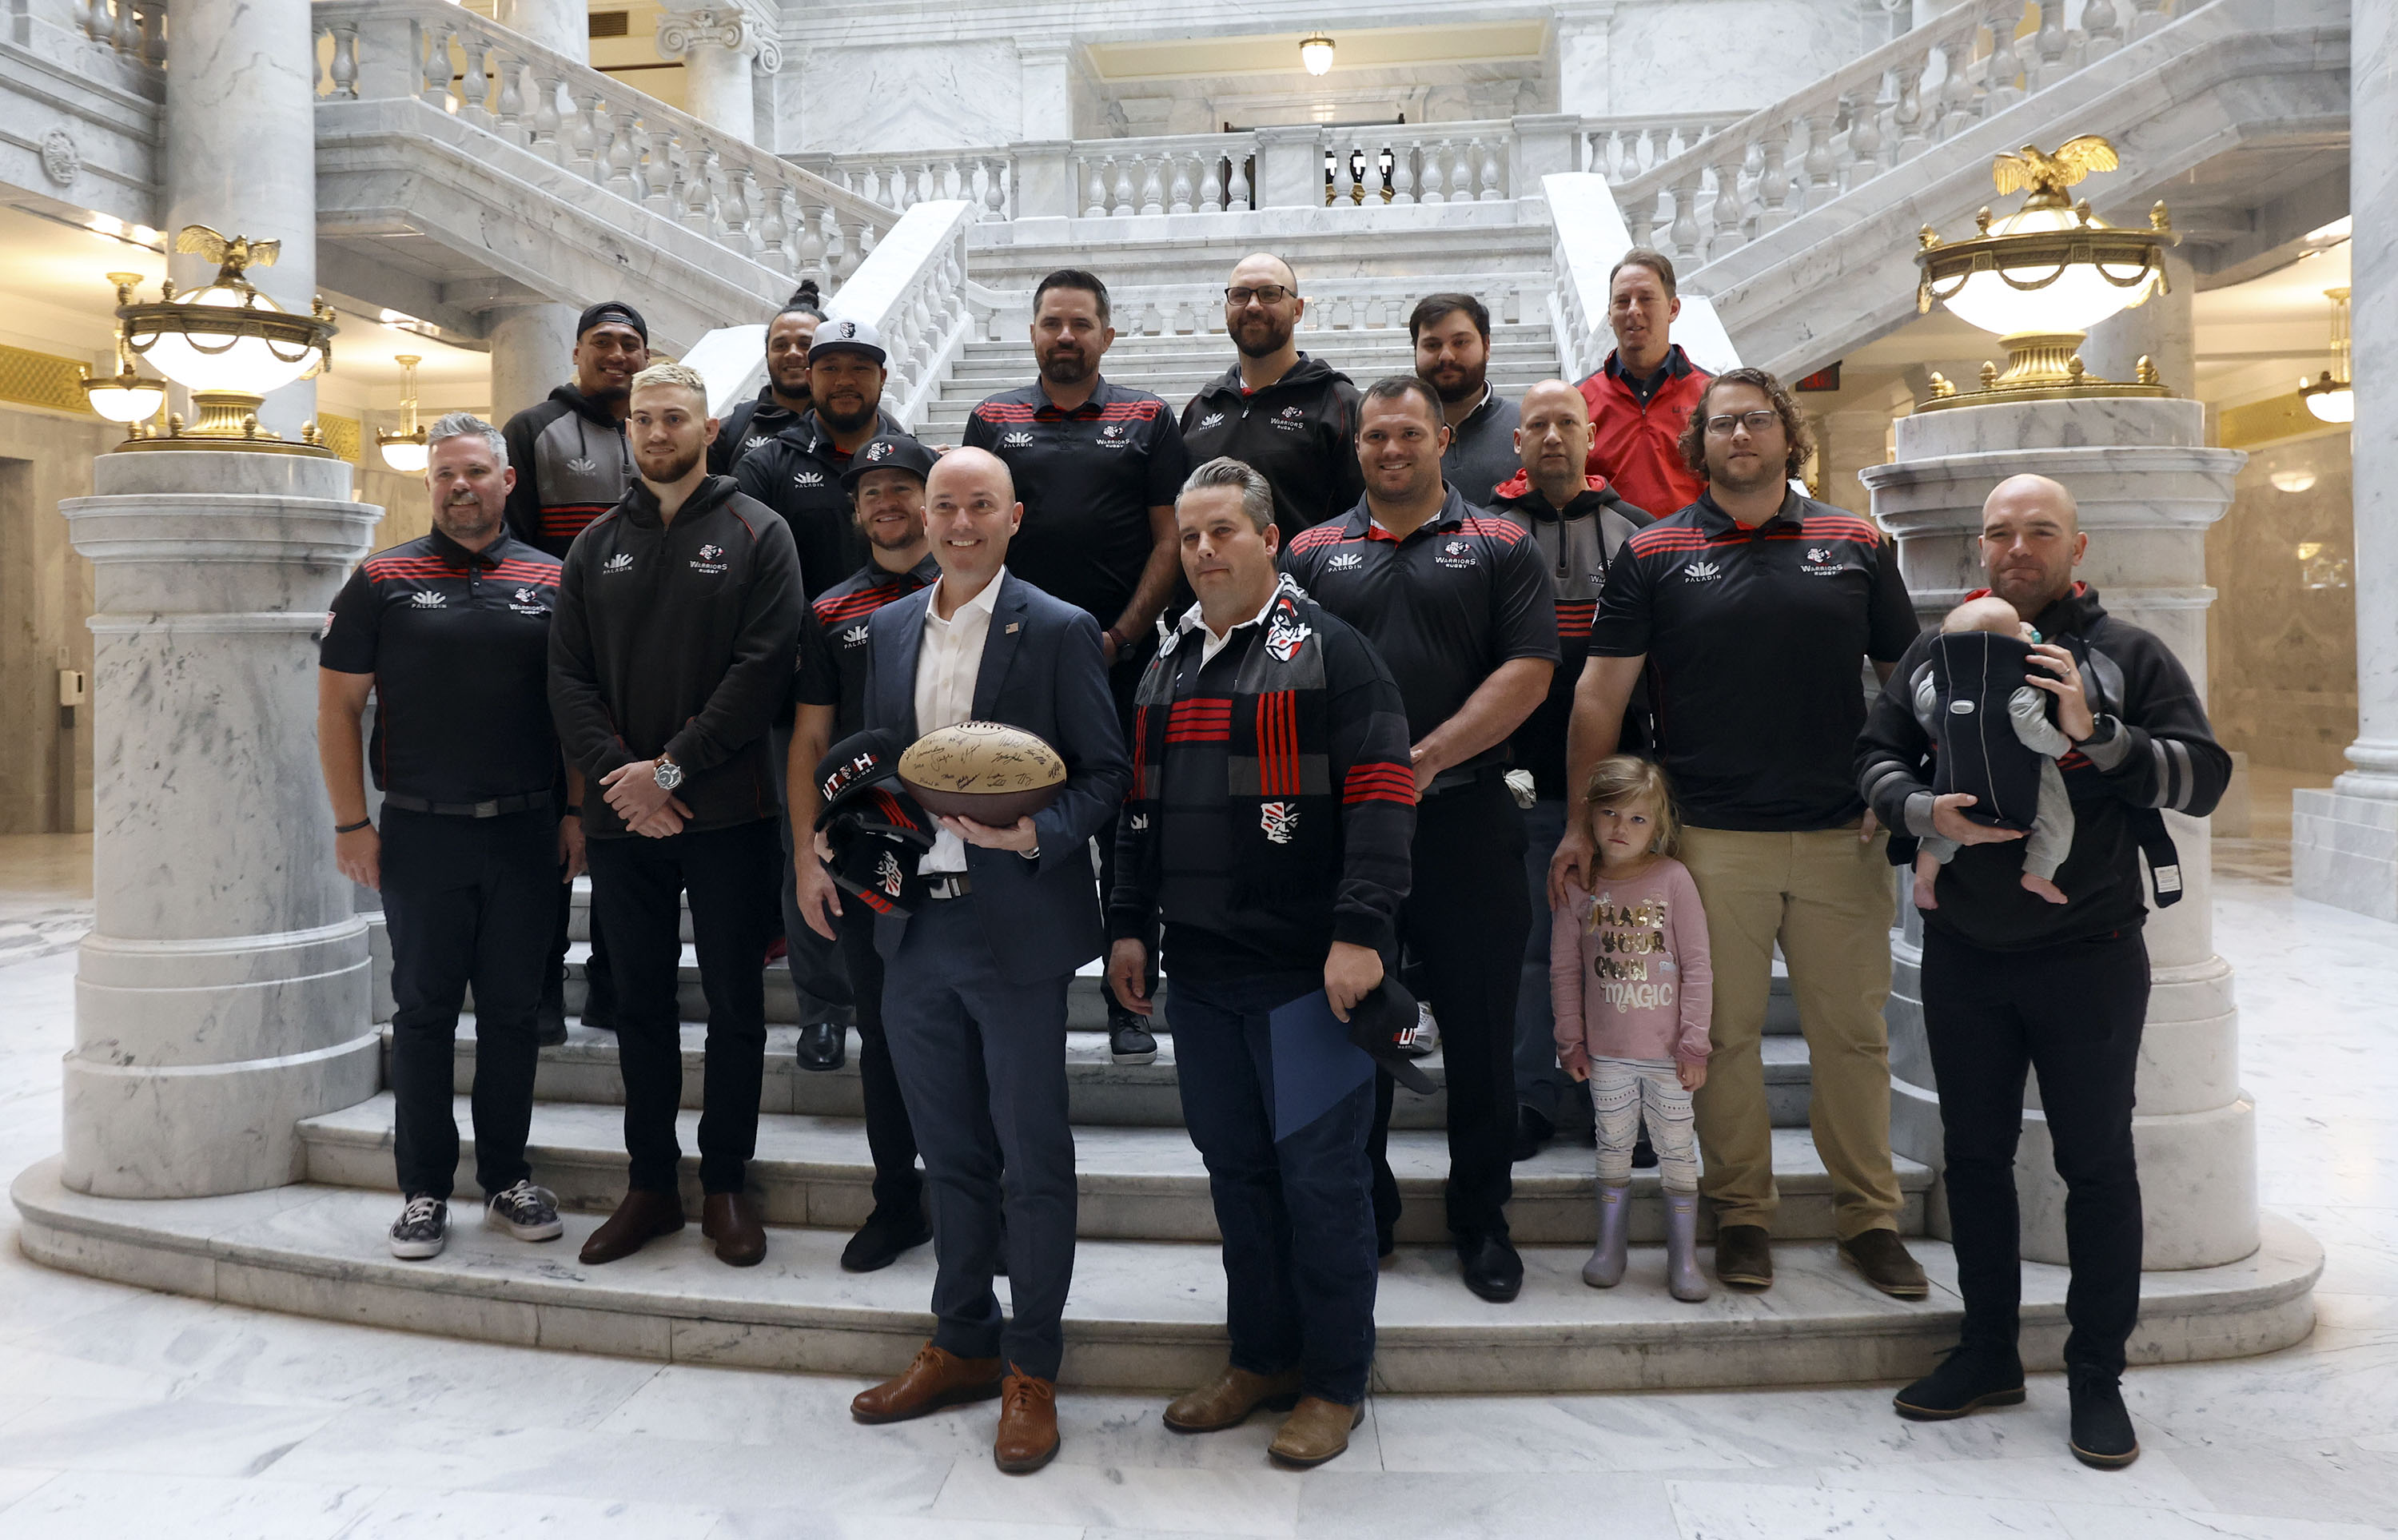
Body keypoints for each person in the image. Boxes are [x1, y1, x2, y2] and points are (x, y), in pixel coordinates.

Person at [1858, 473, 2229, 1470]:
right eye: (1999, 532)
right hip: (1965, 952)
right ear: (1979, 548)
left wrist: (2098, 735)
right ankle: (1987, 1351)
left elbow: (2204, 776)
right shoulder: (1936, 652)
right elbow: (1876, 755)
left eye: (2040, 531)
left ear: (2078, 547)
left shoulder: (2125, 654)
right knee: (1974, 1159)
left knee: (2095, 1162)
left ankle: (2097, 1374)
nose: (2016, 547)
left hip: (2089, 954)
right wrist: (1919, 810)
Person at [1551, 366, 1927, 1301]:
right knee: (1718, 1040)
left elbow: (1909, 678)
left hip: (1841, 836)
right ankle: (1742, 1213)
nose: (1740, 435)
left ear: (1789, 436)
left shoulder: (1854, 541)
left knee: (1853, 1038)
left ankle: (1869, 1219)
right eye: (1722, 423)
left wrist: (1904, 786)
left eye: (1758, 420)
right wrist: (1581, 822)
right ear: (1701, 442)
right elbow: (1599, 693)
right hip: (1710, 843)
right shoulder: (1654, 552)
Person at [1107, 457, 1415, 1469]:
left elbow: (1382, 796)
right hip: (1202, 976)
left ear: (1270, 537)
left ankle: (1334, 1380)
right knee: (1238, 1177)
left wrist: (1360, 932)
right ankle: (1262, 1357)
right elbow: (1139, 811)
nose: (1203, 551)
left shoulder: (1331, 652)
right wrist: (1129, 923)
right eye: (1190, 536)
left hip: (1306, 975)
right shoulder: (1167, 661)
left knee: (1321, 1184)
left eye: (1223, 532)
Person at [844, 448, 1129, 1476]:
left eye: (980, 505)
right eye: (944, 506)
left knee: (1031, 1155)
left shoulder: (1057, 629)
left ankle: (1031, 1366)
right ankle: (962, 1336)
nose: (959, 523)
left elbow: (1105, 774)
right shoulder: (885, 629)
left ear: (1014, 518)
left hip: (1015, 932)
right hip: (914, 930)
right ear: (921, 518)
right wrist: (850, 835)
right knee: (949, 1152)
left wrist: (1036, 833)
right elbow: (879, 768)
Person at [1282, 374, 1557, 1303]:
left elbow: (1530, 671)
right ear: (1356, 446)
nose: (1391, 450)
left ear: (1443, 440)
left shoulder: (1503, 543)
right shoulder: (1311, 552)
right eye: (1375, 437)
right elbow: (1286, 679)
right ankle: (1366, 1205)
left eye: (1408, 434)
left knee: (1479, 1032)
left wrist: (1428, 757)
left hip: (1468, 819)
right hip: (1348, 833)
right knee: (1355, 1026)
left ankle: (1482, 1217)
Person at [548, 362, 804, 1271]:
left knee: (736, 1005)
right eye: (644, 419)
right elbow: (567, 676)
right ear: (628, 430)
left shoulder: (759, 531)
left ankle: (726, 1182)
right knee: (640, 1006)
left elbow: (762, 670)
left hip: (729, 812)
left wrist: (668, 770)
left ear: (710, 428)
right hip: (624, 818)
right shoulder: (593, 545)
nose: (657, 433)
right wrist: (624, 780)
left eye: (675, 419)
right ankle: (651, 1184)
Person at [318, 412, 571, 1261]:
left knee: (512, 1013)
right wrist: (352, 822)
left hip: (528, 830)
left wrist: (576, 813)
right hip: (420, 833)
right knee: (424, 1014)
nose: (460, 486)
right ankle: (423, 1190)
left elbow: (577, 710)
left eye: (475, 472)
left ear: (507, 480)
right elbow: (337, 709)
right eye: (444, 475)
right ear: (429, 485)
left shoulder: (553, 580)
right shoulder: (380, 579)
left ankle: (506, 1178)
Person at [962, 268, 1190, 1066]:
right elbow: (975, 536)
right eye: (1052, 323)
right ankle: (1029, 998)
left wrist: (1120, 636)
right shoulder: (992, 419)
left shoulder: (1149, 417)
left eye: (1081, 323)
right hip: (1017, 665)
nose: (1066, 336)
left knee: (1127, 829)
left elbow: (1171, 539)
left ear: (1107, 335)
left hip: (1122, 662)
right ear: (1032, 333)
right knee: (1020, 817)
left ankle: (1129, 1005)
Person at [787, 432, 941, 1273]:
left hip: (965, 846)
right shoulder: (829, 611)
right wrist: (807, 857)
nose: (887, 503)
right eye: (871, 491)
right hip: (866, 854)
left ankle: (980, 1198)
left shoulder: (968, 588)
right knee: (880, 1033)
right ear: (855, 511)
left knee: (971, 1034)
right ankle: (896, 1201)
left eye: (902, 487)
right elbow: (810, 738)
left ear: (931, 499)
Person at [1487, 380, 1652, 1160]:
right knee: (1525, 950)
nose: (1553, 436)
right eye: (1538, 425)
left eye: (1567, 423)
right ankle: (1529, 1096)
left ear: (1592, 437)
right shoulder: (1484, 536)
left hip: (1623, 793)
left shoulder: (1639, 535)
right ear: (1517, 443)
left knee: (1619, 953)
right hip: (1516, 787)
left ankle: (1615, 1101)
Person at [503, 300, 649, 1040]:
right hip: (557, 659)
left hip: (643, 667)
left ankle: (613, 986)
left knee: (627, 830)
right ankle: (541, 995)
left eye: (630, 344)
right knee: (554, 832)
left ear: (647, 357)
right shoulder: (534, 430)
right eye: (602, 342)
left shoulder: (662, 432)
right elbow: (512, 542)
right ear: (577, 352)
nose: (617, 354)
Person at [1550, 755, 1711, 1302]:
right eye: (1611, 813)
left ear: (1658, 824)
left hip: (1669, 1056)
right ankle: (1610, 1247)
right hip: (1608, 1054)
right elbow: (1564, 971)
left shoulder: (1673, 879)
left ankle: (1683, 1257)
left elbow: (1697, 966)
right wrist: (1570, 1041)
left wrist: (1694, 1043)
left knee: (1677, 1150)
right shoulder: (1579, 886)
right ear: (1590, 815)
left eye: (1638, 818)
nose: (1622, 828)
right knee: (1613, 1147)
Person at [1910, 595, 2075, 910]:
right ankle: (2038, 873)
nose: (2028, 629)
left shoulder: (1940, 684)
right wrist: (2061, 744)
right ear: (2005, 647)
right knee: (2056, 821)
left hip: (1958, 777)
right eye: (2019, 629)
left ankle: (1925, 877)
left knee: (1946, 821)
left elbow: (1925, 704)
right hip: (2017, 778)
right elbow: (2031, 731)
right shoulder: (2021, 686)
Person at [1180, 253, 1364, 535]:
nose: (1253, 306)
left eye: (1269, 294)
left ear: (1298, 310)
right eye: (1240, 295)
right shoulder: (1201, 408)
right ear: (1226, 310)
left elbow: (1364, 515)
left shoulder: (1340, 405)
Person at [735, 316, 909, 599]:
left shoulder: (916, 465)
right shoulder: (765, 468)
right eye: (830, 368)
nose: (845, 380)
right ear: (810, 378)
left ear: (882, 378)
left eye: (860, 368)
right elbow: (745, 572)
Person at [1575, 250, 1712, 522]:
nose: (1633, 310)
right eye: (1622, 301)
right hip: (1610, 546)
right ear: (1610, 314)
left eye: (1646, 298)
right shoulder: (1579, 401)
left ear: (1673, 309)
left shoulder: (1711, 395)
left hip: (1695, 545)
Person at [1412, 292, 1519, 507]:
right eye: (1432, 345)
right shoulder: (1394, 437)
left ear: (1486, 346)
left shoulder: (1526, 427)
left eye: (1460, 342)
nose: (1446, 356)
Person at [710, 281, 825, 475]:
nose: (793, 353)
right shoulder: (730, 431)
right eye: (781, 346)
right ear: (767, 354)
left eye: (806, 344)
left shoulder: (856, 423)